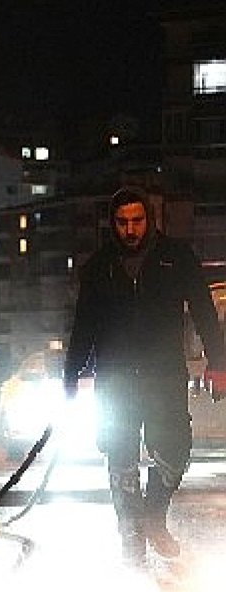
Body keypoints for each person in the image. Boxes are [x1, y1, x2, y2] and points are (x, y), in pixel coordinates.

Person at [63, 186, 226, 566]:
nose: (130, 229)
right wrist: (70, 378)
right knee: (120, 462)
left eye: (137, 221)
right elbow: (83, 327)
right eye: (122, 222)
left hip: (164, 376)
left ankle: (154, 516)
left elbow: (204, 312)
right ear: (112, 224)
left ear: (149, 219)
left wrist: (218, 363)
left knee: (174, 450)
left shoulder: (177, 258)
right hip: (115, 381)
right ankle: (131, 547)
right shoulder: (99, 267)